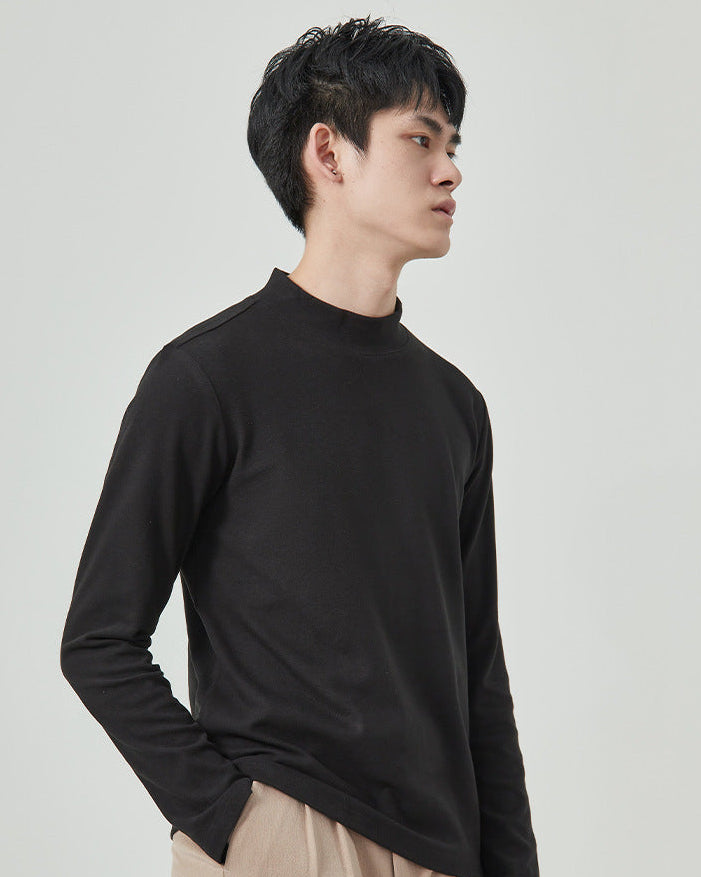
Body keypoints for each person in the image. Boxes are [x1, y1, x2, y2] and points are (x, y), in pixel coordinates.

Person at [60, 15, 540, 877]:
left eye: (452, 145)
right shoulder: (206, 377)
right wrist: (230, 818)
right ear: (328, 152)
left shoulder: (453, 405)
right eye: (420, 139)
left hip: (444, 845)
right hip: (286, 833)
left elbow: (477, 668)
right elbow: (98, 638)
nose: (450, 169)